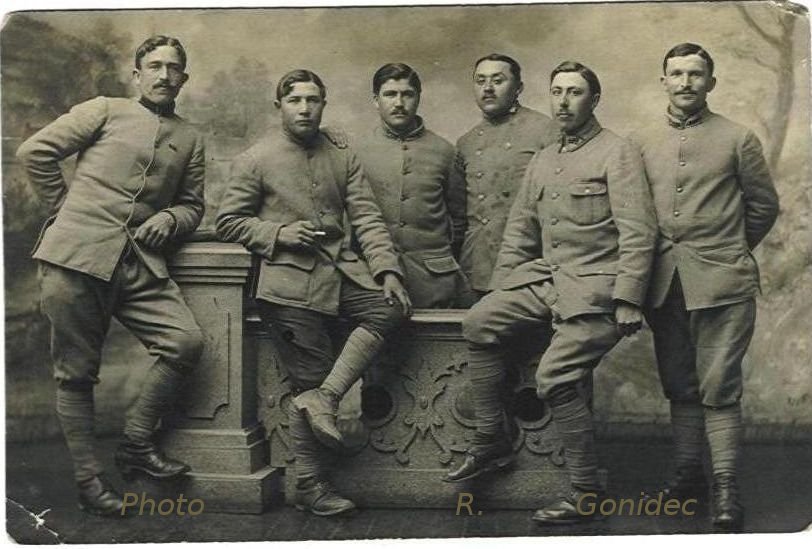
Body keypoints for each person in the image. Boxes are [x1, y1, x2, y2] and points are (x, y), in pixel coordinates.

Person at [445, 62, 657, 527]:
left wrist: (628, 298)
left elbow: (639, 232)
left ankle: (586, 493)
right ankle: (490, 436)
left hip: (597, 290)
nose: (563, 101)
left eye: (575, 92)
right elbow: (520, 230)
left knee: (555, 376)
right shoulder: (543, 158)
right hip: (546, 281)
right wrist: (502, 290)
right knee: (478, 321)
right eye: (557, 91)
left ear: (594, 100)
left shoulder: (617, 152)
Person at [16, 35, 206, 516]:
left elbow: (193, 205)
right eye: (154, 66)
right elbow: (35, 152)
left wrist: (172, 218)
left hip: (139, 262)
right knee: (76, 375)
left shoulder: (190, 137)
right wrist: (65, 213)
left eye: (174, 68)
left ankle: (136, 442)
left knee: (184, 343)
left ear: (184, 78)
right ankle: (89, 481)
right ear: (136, 74)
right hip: (75, 259)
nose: (164, 75)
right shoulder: (105, 110)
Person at [215, 69, 411, 516]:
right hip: (287, 286)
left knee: (390, 308)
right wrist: (278, 233)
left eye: (313, 100)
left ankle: (327, 398)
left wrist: (387, 271)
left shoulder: (341, 152)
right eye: (295, 100)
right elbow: (228, 221)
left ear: (324, 104)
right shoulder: (256, 158)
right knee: (310, 377)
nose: (304, 109)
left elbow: (366, 217)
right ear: (279, 106)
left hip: (342, 275)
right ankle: (309, 484)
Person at [631, 43, 779, 531]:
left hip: (723, 283)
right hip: (663, 283)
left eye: (696, 74)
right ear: (663, 81)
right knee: (680, 382)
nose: (686, 82)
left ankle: (726, 488)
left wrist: (728, 250)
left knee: (719, 386)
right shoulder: (640, 141)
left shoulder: (738, 138)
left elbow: (763, 206)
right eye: (676, 73)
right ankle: (687, 475)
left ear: (711, 83)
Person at [356, 62, 466, 308]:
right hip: (374, 279)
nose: (399, 103)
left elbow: (459, 220)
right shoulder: (357, 152)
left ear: (418, 98)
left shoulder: (445, 152)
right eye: (390, 94)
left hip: (434, 282)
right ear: (375, 100)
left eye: (407, 94)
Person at [454, 53, 558, 302]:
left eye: (498, 80)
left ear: (518, 87)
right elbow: (458, 215)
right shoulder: (466, 142)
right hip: (476, 264)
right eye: (480, 81)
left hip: (528, 261)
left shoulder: (546, 130)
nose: (488, 88)